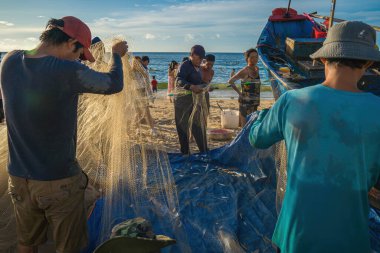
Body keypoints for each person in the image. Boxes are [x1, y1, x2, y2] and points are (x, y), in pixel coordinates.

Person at [249, 21, 380, 253]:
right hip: (351, 237)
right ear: (369, 63)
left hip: (296, 233)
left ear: (322, 59)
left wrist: (262, 115)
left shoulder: (291, 101)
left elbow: (257, 138)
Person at [0, 16, 128, 253]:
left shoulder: (9, 60)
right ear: (71, 43)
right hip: (58, 181)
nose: (79, 60)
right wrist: (116, 56)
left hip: (18, 178)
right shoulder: (66, 70)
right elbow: (113, 83)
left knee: (26, 243)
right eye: (80, 54)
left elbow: (33, 60)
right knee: (67, 247)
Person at [174, 45, 208, 155]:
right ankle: (185, 152)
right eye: (199, 59)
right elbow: (179, 80)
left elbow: (197, 82)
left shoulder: (197, 67)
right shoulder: (185, 65)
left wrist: (205, 86)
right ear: (192, 55)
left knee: (197, 126)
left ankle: (204, 151)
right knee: (183, 127)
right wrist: (191, 87)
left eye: (202, 59)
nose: (201, 61)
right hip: (182, 101)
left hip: (194, 101)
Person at [228, 48, 261, 127]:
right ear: (247, 58)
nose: (254, 59)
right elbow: (230, 81)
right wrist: (239, 93)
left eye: (256, 57)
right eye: (252, 57)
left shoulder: (257, 69)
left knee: (252, 125)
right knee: (245, 127)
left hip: (254, 101)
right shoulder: (244, 71)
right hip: (245, 103)